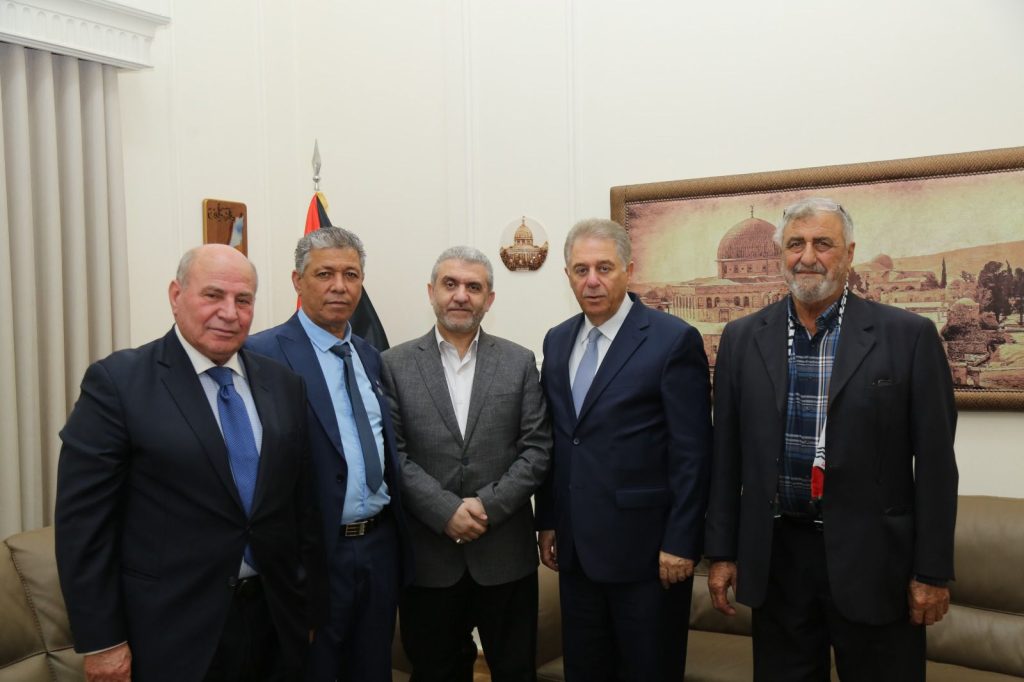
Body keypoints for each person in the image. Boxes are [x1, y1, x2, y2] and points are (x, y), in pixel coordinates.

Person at [705, 197, 958, 681]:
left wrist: (931, 572)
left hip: (874, 561)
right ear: (780, 253)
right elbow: (726, 457)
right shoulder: (741, 338)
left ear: (849, 253)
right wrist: (721, 553)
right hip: (777, 560)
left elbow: (936, 467)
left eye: (823, 243)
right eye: (795, 244)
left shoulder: (907, 337)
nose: (807, 257)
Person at [55, 244, 322, 682]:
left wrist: (306, 607)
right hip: (172, 632)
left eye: (243, 300)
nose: (229, 313)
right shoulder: (119, 384)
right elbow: (83, 524)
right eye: (213, 295)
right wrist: (103, 642)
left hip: (274, 622)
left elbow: (301, 507)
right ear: (176, 296)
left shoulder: (284, 384)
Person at [535, 218, 712, 682]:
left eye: (604, 268)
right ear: (568, 275)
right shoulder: (557, 340)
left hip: (648, 558)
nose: (592, 281)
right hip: (576, 554)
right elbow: (559, 439)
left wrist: (681, 542)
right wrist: (548, 519)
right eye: (581, 270)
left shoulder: (672, 340)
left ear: (628, 271)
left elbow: (693, 453)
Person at [246, 226, 413, 682]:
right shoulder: (262, 355)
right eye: (325, 274)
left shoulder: (369, 355)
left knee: (373, 668)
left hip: (378, 547)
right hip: (313, 554)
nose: (340, 286)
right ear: (297, 282)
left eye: (351, 275)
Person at [381, 247, 552, 682]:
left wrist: (486, 506)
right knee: (434, 672)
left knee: (515, 671)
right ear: (431, 292)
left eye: (473, 287)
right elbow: (392, 454)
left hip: (504, 556)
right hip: (429, 560)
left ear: (489, 299)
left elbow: (536, 450)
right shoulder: (393, 364)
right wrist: (445, 511)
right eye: (450, 284)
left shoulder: (519, 362)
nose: (461, 295)